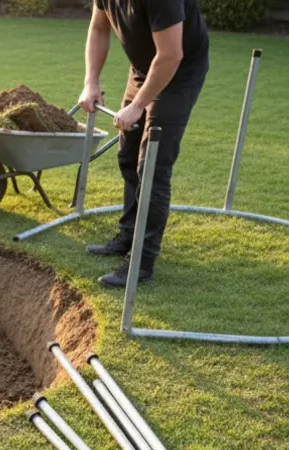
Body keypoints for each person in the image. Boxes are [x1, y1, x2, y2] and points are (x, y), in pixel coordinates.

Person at [79, 0, 209, 287]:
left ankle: (142, 260)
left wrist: (138, 105)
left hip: (179, 70)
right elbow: (99, 27)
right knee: (128, 156)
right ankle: (128, 235)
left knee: (152, 164)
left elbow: (171, 54)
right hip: (144, 67)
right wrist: (91, 81)